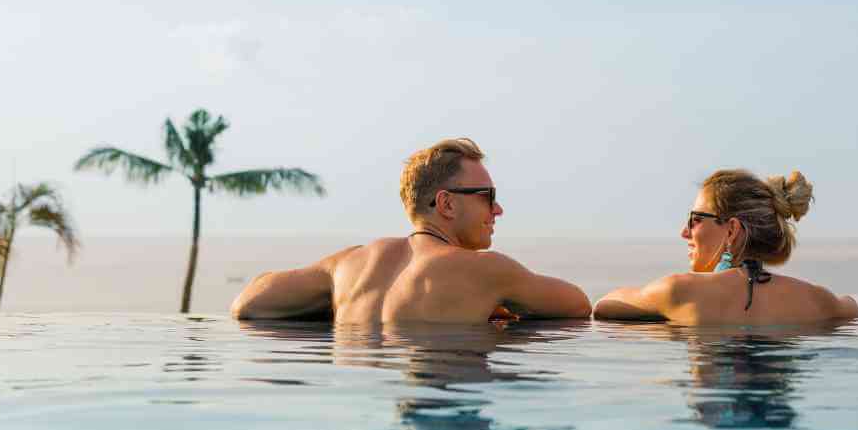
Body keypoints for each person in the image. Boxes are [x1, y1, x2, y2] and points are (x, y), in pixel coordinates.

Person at [231, 138, 591, 323]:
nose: (497, 209)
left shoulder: (348, 264)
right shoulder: (486, 270)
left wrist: (335, 302)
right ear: (447, 204)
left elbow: (247, 303)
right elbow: (579, 305)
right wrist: (492, 298)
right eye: (488, 197)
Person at [594, 169, 858, 324]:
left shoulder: (679, 291)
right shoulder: (818, 301)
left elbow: (603, 306)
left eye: (696, 219)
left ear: (732, 230)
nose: (684, 231)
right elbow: (853, 308)